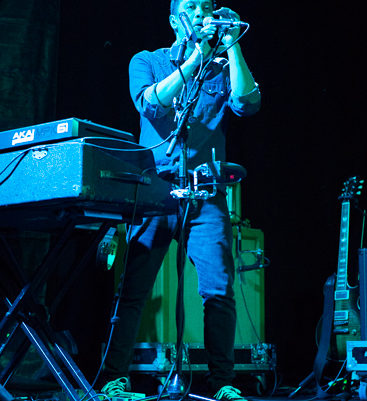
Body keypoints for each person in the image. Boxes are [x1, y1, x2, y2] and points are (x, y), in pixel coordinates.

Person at [101, 0, 260, 400]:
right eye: (193, 7)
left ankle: (222, 382)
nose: (202, 12)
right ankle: (113, 379)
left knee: (219, 292)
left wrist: (233, 45)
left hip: (205, 194)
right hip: (154, 191)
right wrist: (195, 59)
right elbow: (151, 103)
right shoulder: (147, 61)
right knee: (133, 291)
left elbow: (247, 104)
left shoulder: (222, 68)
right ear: (175, 20)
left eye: (207, 6)